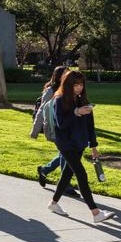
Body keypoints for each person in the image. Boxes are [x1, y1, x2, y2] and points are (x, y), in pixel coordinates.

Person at [48, 70, 117, 223]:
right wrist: (76, 112)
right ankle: (96, 213)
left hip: (79, 143)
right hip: (65, 144)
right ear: (68, 85)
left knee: (67, 173)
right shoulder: (59, 100)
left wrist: (93, 146)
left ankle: (53, 203)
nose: (79, 88)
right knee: (81, 174)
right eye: (76, 85)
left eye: (81, 84)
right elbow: (61, 124)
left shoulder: (83, 100)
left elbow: (90, 126)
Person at [31, 66, 80, 198]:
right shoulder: (50, 90)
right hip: (55, 128)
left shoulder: (69, 89)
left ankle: (44, 170)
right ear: (58, 76)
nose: (68, 75)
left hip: (68, 127)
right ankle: (66, 184)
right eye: (65, 73)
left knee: (64, 153)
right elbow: (42, 110)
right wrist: (35, 130)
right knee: (67, 152)